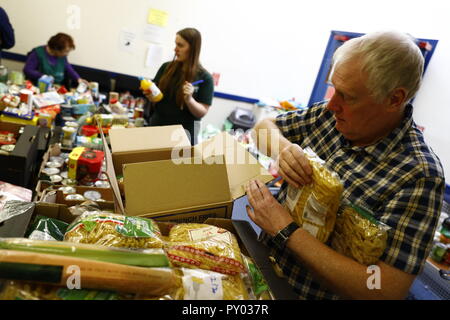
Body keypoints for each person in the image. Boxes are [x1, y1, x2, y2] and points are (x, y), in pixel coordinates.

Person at [246, 30, 445, 300]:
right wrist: (283, 150)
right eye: (333, 89)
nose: (331, 105)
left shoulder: (419, 176)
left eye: (348, 96)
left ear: (394, 99)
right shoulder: (327, 118)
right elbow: (262, 127)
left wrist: (286, 231)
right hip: (261, 272)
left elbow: (384, 289)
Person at [143, 27, 214, 145]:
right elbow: (156, 97)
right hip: (157, 129)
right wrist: (151, 96)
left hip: (182, 137)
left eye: (180, 45)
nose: (175, 49)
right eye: (175, 44)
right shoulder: (166, 68)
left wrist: (189, 100)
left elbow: (202, 112)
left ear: (193, 49)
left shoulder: (205, 78)